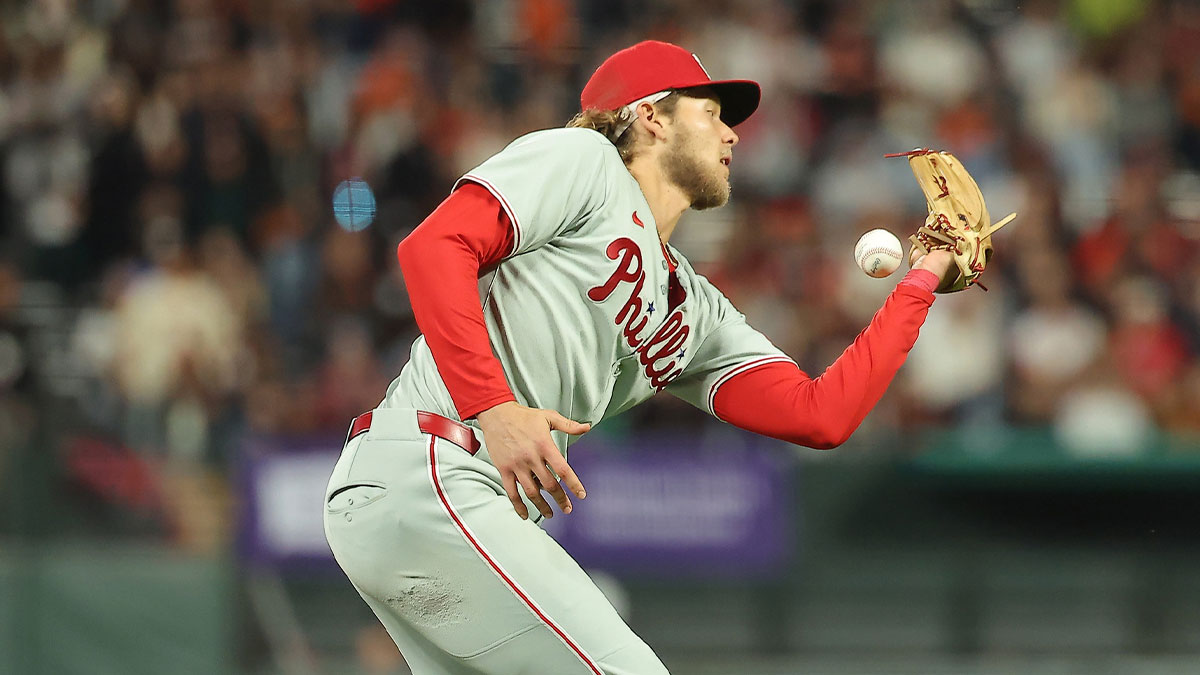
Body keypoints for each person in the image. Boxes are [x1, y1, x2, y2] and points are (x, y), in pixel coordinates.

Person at [323, 40, 952, 674]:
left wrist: (922, 281)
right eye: (711, 112)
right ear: (651, 116)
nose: (732, 136)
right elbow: (434, 245)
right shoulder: (586, 161)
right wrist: (492, 406)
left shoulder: (691, 305)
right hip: (430, 468)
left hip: (442, 506)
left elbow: (820, 415)